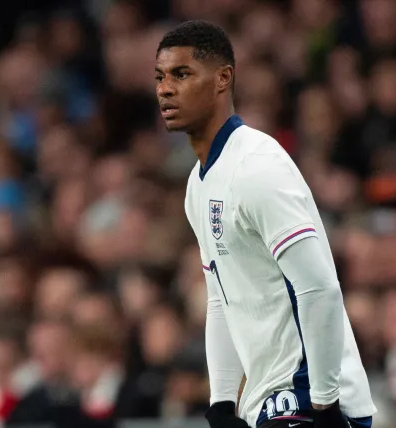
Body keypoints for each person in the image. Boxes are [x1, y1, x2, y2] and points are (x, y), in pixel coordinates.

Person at [154, 21, 376, 428]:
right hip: (267, 402)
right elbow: (221, 297)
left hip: (308, 397)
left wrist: (324, 406)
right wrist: (221, 401)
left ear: (223, 79)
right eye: (161, 77)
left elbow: (319, 287)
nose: (165, 89)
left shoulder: (257, 166)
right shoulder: (197, 186)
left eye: (181, 74)